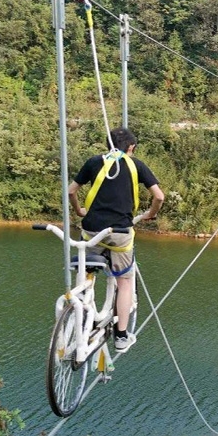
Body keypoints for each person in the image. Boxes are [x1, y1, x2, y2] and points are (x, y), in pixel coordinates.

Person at [68, 127, 164, 353]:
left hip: (92, 231)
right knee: (125, 282)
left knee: (87, 272)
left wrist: (80, 211)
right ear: (131, 147)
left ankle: (83, 316)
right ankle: (121, 336)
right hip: (120, 232)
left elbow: (71, 191)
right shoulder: (136, 165)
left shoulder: (94, 162)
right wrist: (150, 214)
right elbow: (159, 196)